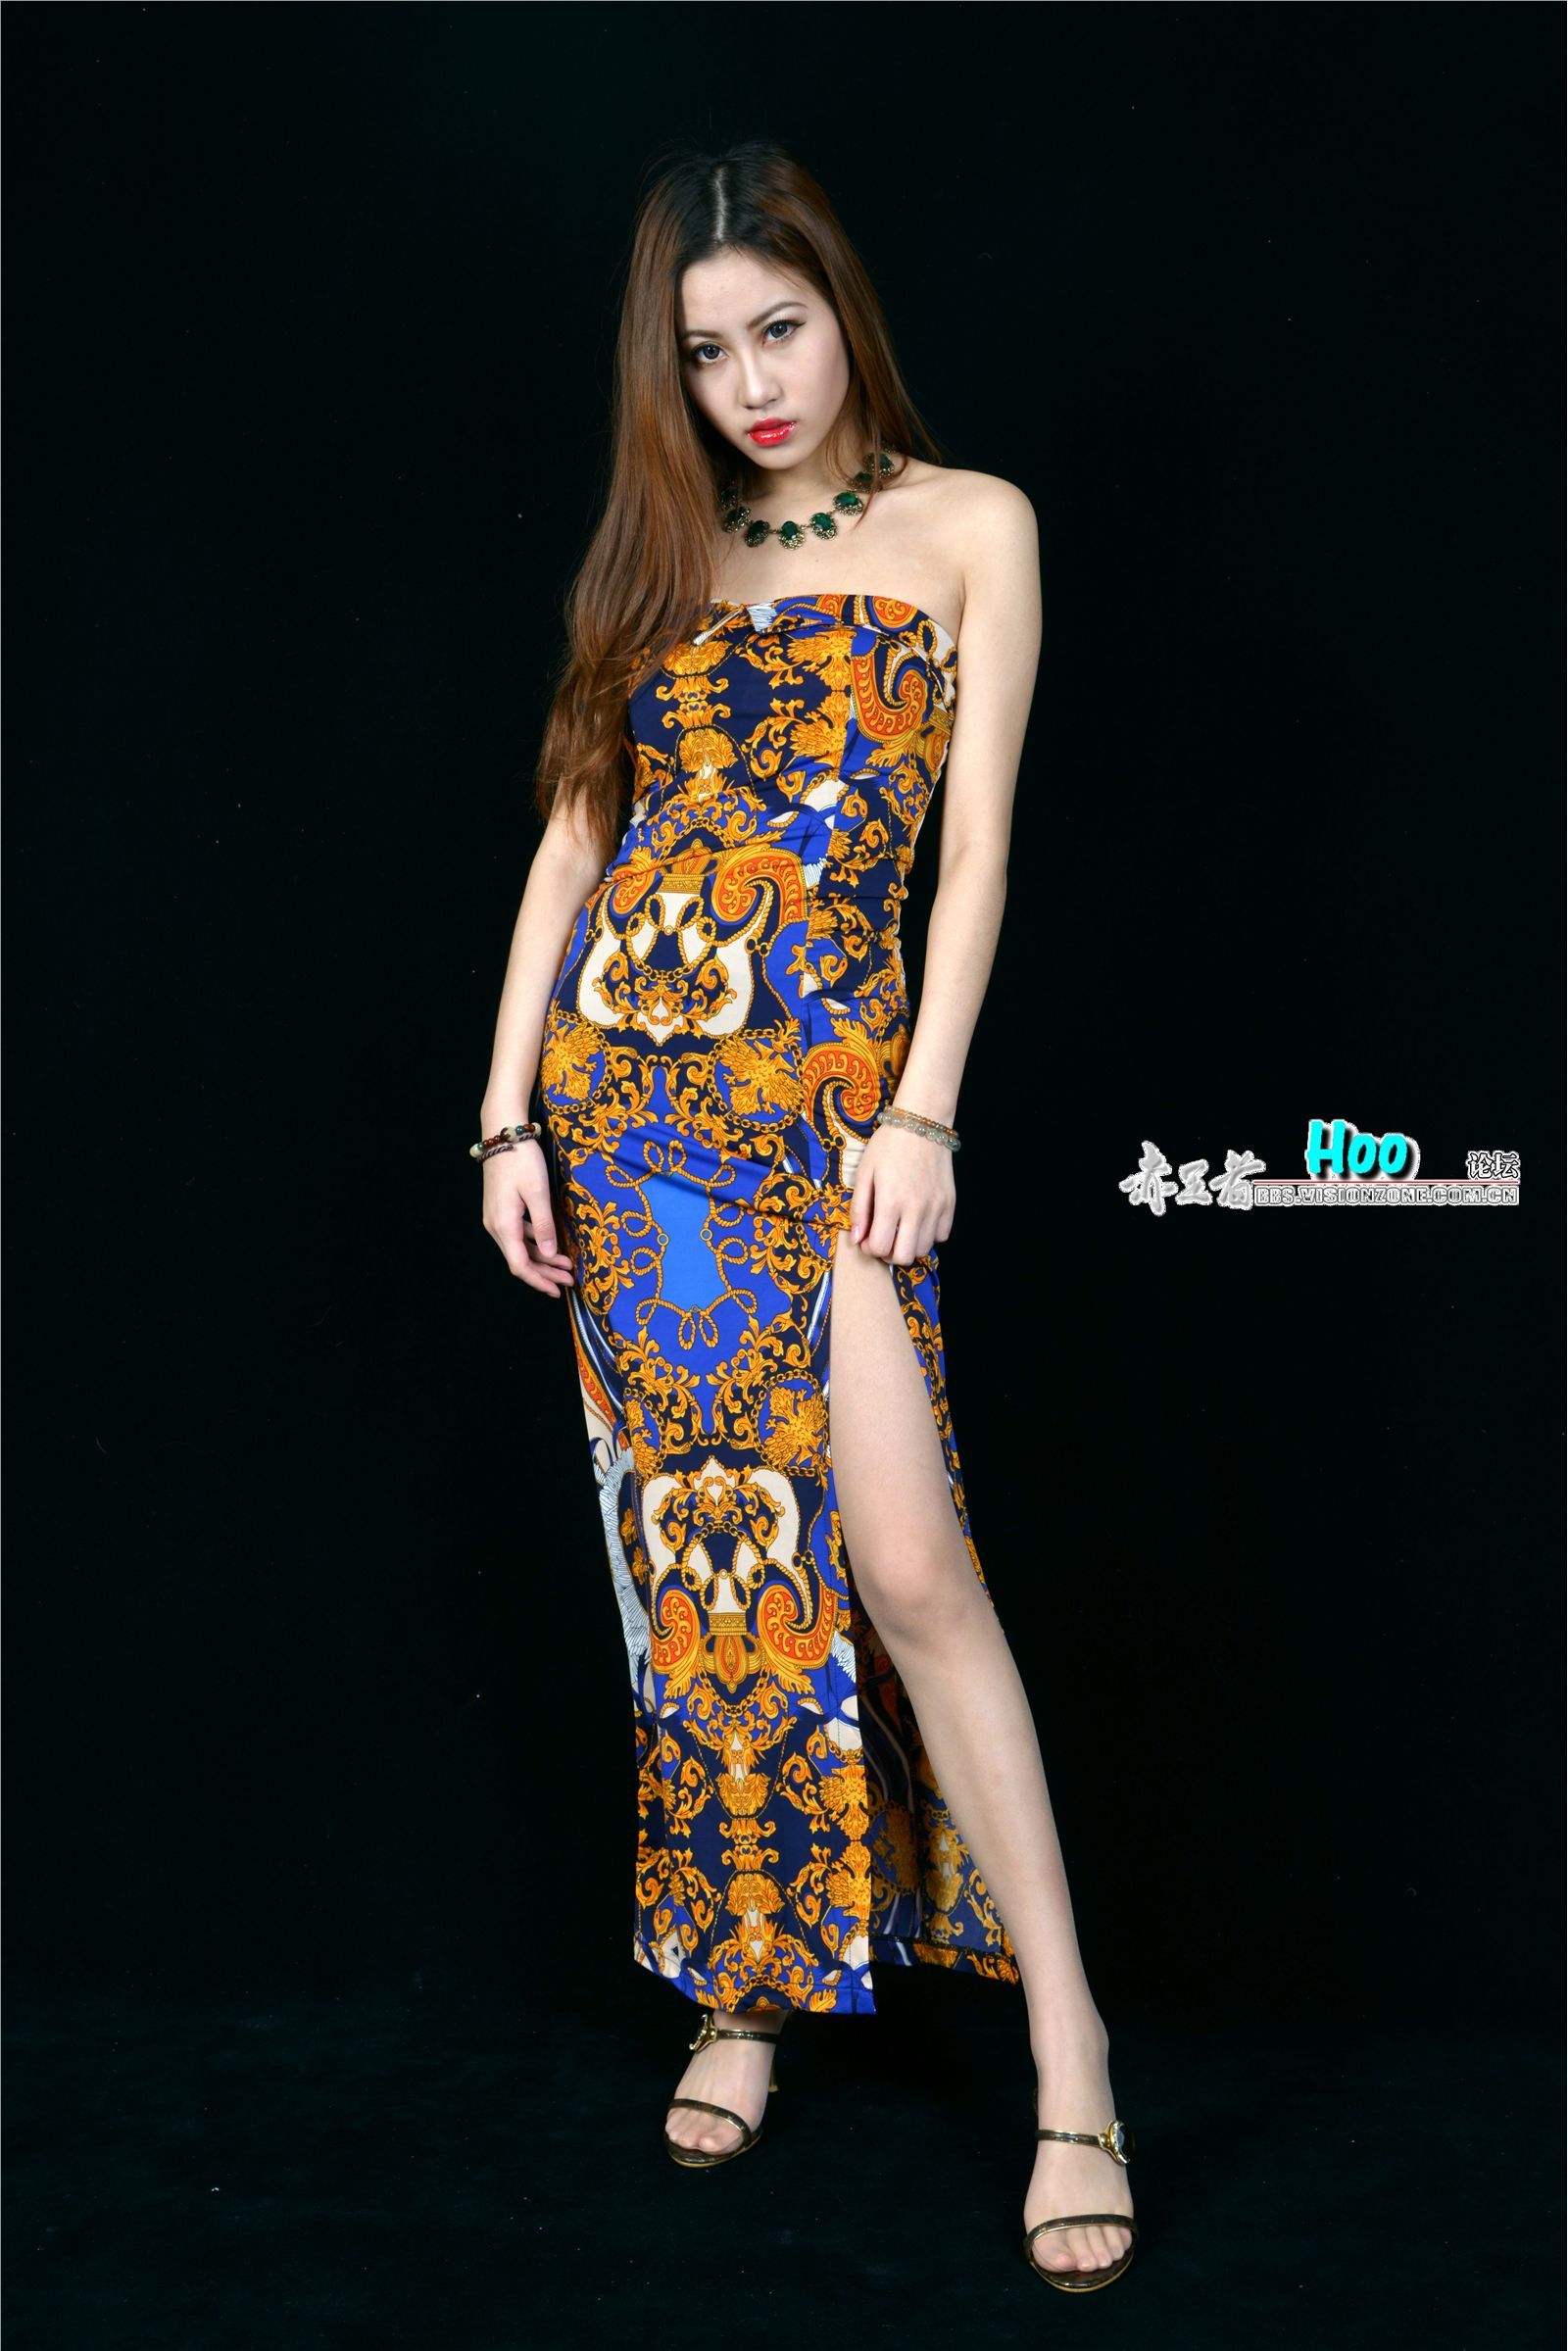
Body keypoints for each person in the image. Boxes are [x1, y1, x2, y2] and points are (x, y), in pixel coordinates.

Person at [474, 139, 1138, 2291]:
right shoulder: (658, 553)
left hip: (832, 1121)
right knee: (702, 1570)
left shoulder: (970, 526)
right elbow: (574, 843)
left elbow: (977, 856)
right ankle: (741, 1991)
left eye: (778, 329)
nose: (752, 385)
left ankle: (1070, 2056)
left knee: (908, 1565)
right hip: (629, 1127)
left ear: (841, 309)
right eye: (706, 353)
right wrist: (502, 1120)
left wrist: (924, 1108)